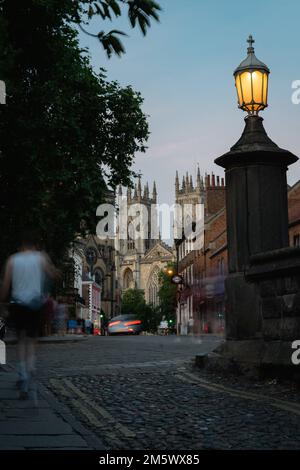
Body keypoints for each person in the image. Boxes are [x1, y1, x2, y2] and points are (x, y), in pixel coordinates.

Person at [0, 230, 58, 401]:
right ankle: (30, 369)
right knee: (31, 341)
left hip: (18, 304)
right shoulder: (41, 257)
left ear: (21, 245)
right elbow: (53, 274)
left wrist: (2, 301)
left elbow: (5, 285)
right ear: (35, 245)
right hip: (34, 304)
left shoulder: (13, 259)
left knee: (21, 340)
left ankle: (22, 372)